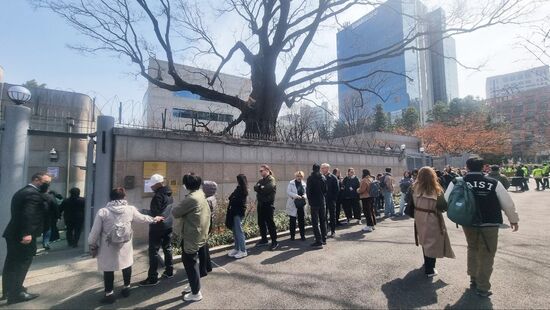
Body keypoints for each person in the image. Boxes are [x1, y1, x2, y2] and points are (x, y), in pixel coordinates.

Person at [445, 157, 519, 297]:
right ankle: (483, 287)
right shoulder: (493, 182)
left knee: (472, 247)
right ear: (483, 167)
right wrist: (513, 219)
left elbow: (446, 199)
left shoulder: (458, 182)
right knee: (487, 253)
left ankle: (473, 278)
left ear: (467, 167)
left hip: (468, 221)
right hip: (490, 222)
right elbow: (507, 203)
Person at [88, 187, 163, 304]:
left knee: (108, 269)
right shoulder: (130, 209)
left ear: (111, 197)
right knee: (126, 265)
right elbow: (142, 218)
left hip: (108, 246)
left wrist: (92, 244)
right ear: (124, 197)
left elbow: (94, 232)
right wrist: (154, 219)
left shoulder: (103, 212)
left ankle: (109, 294)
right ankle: (126, 288)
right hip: (125, 244)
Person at [2, 172, 51, 305]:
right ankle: (16, 293)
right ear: (36, 180)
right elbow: (29, 214)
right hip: (23, 235)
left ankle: (8, 290)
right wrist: (27, 233)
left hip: (13, 233)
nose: (47, 184)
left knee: (11, 262)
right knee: (21, 263)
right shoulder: (33, 194)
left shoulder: (23, 191)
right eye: (45, 181)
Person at [172, 174, 211, 302]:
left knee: (189, 262)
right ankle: (193, 284)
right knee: (191, 261)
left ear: (187, 185)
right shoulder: (200, 194)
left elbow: (176, 212)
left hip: (192, 235)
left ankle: (196, 292)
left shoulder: (191, 198)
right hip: (199, 232)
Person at [412, 167, 455, 278]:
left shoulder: (413, 187)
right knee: (432, 242)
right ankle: (430, 269)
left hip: (419, 216)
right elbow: (443, 206)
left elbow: (410, 202)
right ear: (433, 176)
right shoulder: (436, 189)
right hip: (432, 216)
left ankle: (427, 263)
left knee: (424, 239)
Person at [139, 174, 175, 287]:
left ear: (157, 184)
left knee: (153, 252)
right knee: (167, 248)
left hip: (157, 227)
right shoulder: (169, 194)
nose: (151, 187)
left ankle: (152, 278)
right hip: (168, 225)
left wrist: (141, 211)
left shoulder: (158, 196)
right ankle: (169, 271)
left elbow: (155, 214)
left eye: (152, 184)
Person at [254, 164, 279, 251]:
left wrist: (260, 188)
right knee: (261, 222)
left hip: (268, 205)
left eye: (262, 170)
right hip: (260, 204)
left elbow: (267, 189)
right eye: (260, 171)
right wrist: (260, 187)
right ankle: (264, 239)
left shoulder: (271, 179)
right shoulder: (261, 180)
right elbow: (255, 187)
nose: (260, 172)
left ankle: (274, 242)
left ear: (267, 170)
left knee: (270, 224)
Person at [226, 174, 249, 258]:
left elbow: (234, 199)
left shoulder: (242, 189)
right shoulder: (239, 188)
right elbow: (231, 197)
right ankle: (236, 248)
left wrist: (232, 198)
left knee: (238, 231)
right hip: (234, 212)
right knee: (235, 231)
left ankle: (243, 250)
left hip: (237, 213)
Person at [199, 180, 217, 277]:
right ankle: (208, 266)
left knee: (202, 247)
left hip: (206, 225)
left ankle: (203, 269)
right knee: (205, 246)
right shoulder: (212, 197)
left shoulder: (207, 200)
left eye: (203, 188)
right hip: (209, 224)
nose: (202, 189)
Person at [307, 164, 328, 247]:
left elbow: (308, 191)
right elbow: (326, 190)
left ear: (312, 169)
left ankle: (318, 241)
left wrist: (310, 201)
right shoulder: (323, 177)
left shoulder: (310, 178)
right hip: (322, 201)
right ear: (319, 169)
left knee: (315, 222)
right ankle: (324, 238)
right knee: (323, 220)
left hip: (314, 202)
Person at [286, 171, 307, 241]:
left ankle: (302, 235)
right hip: (293, 203)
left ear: (302, 177)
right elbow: (288, 192)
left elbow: (306, 192)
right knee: (292, 221)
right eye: (298, 176)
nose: (299, 177)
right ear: (295, 176)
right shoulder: (291, 183)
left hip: (301, 204)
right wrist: (296, 196)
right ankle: (292, 236)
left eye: (300, 176)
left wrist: (304, 196)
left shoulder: (304, 184)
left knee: (301, 221)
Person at [322, 163, 339, 238]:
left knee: (332, 216)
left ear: (327, 169)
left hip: (331, 200)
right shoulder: (321, 177)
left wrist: (334, 199)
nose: (322, 169)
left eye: (323, 168)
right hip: (323, 200)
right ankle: (325, 231)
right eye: (321, 168)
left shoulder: (333, 177)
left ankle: (333, 231)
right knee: (324, 216)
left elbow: (337, 190)